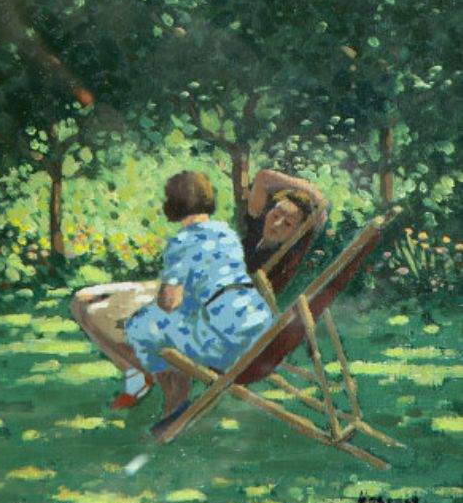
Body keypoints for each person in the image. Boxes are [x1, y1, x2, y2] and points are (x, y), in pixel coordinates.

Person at [70, 169, 325, 421]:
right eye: (276, 214)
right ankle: (136, 373)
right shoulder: (255, 228)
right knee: (83, 301)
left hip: (214, 308)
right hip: (196, 285)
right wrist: (311, 193)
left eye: (288, 223)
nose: (277, 223)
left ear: (298, 232)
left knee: (110, 315)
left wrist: (319, 204)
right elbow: (263, 178)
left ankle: (158, 385)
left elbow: (318, 217)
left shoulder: (288, 253)